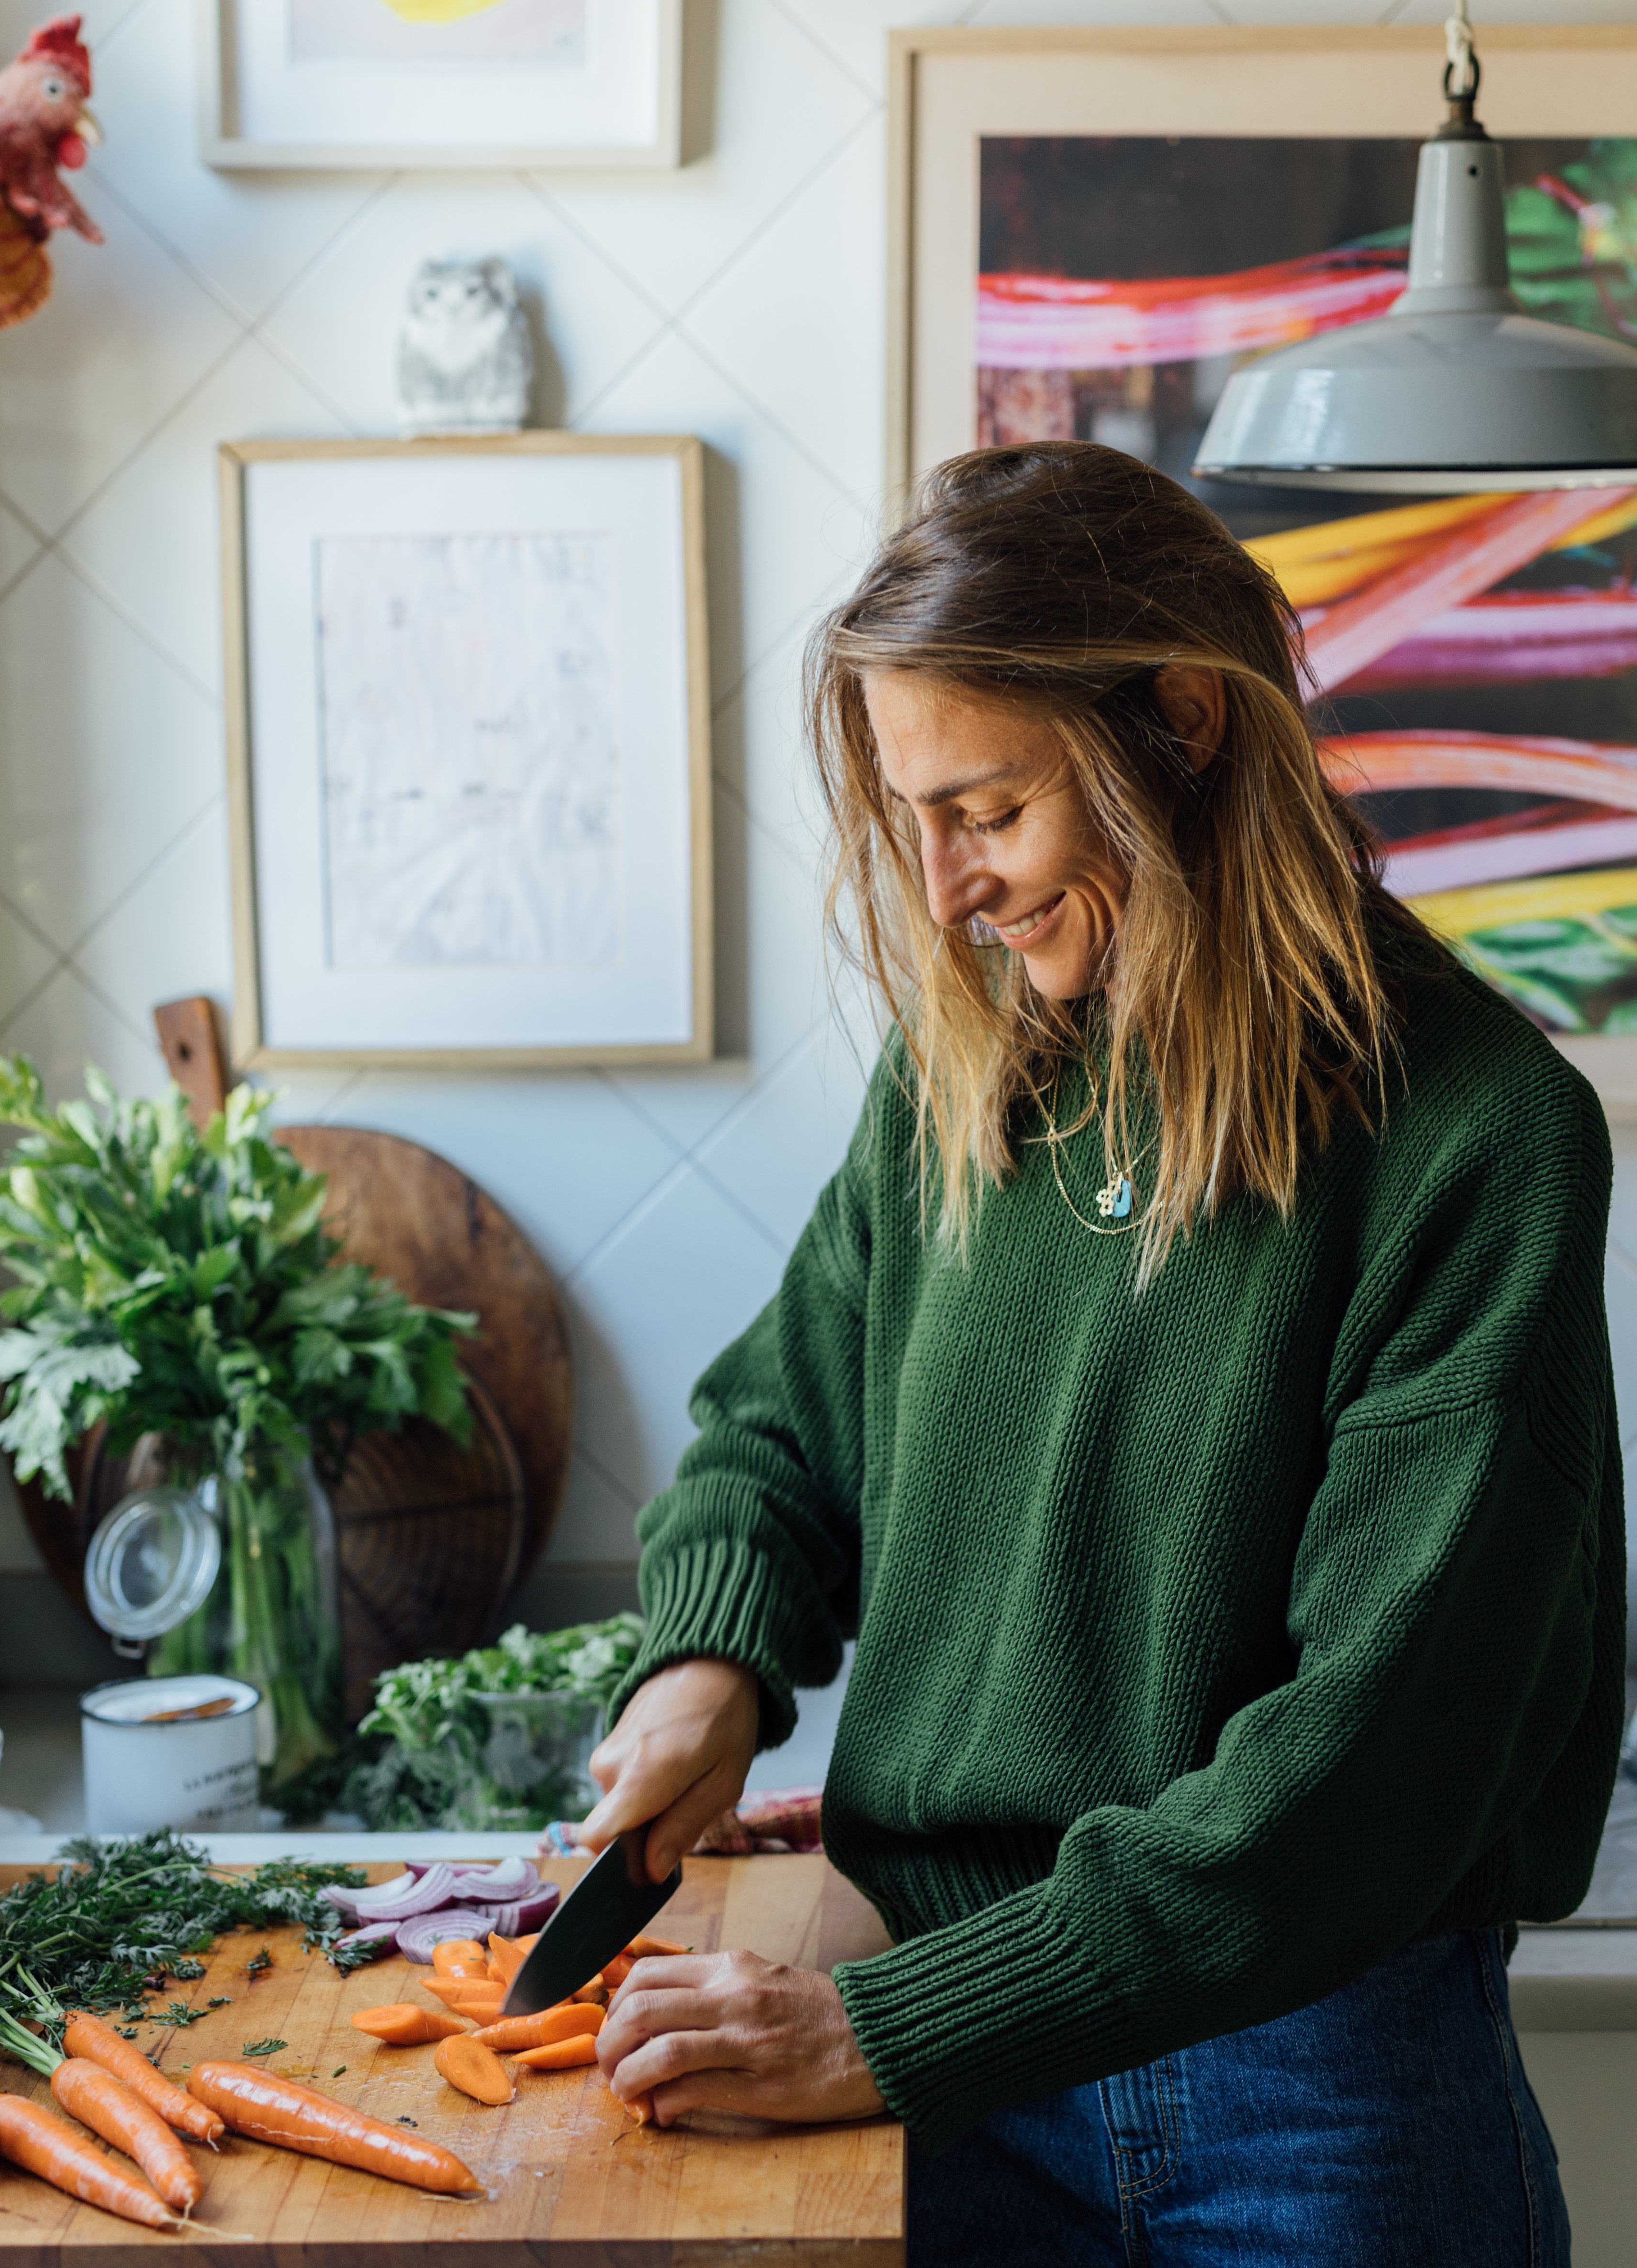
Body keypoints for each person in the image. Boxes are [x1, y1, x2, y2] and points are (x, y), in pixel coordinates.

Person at [585, 442, 1624, 2266]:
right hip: (966, 2078)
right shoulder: (968, 1083)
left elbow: (1368, 1759)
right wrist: (707, 1670)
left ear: (1186, 726)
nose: (943, 888)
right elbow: (777, 1429)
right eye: (914, 818)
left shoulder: (1482, 1136)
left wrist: (876, 2031)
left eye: (985, 809)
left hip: (1316, 2097)